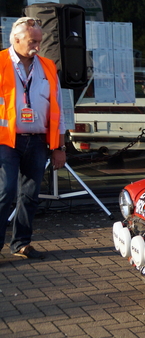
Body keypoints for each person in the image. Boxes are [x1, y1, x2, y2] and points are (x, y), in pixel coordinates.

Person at [0, 17, 67, 260]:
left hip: (38, 141)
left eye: (39, 41)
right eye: (32, 41)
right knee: (5, 192)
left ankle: (21, 243)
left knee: (30, 195)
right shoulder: (0, 63)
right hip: (6, 141)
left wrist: (59, 146)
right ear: (16, 39)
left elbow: (58, 107)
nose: (37, 46)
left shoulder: (48, 66)